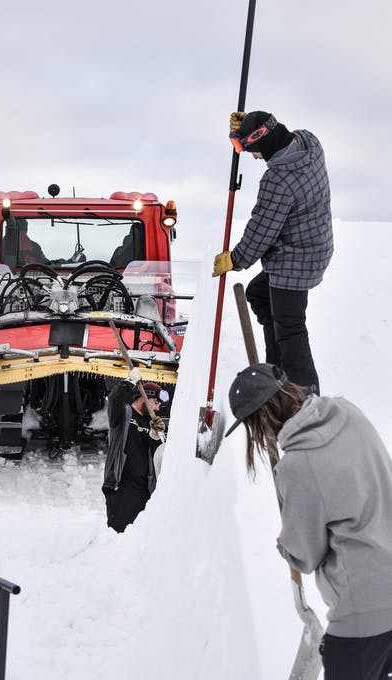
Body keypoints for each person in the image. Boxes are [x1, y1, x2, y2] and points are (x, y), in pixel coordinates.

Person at [226, 363, 392, 680]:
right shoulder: (347, 412)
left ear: (262, 417)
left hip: (363, 611)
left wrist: (285, 543)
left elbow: (304, 555)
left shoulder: (297, 465)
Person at [213, 111, 333, 394]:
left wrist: (235, 258)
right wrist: (248, 124)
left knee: (291, 330)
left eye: (250, 149)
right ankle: (277, 368)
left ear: (262, 141)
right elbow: (272, 128)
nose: (252, 156)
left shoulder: (278, 180)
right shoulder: (309, 142)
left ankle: (306, 397)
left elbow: (261, 231)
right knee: (258, 294)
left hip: (295, 262)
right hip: (314, 247)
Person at [102, 368, 167, 533]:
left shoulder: (150, 423)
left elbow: (158, 457)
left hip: (143, 492)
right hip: (121, 489)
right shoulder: (123, 414)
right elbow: (114, 399)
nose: (158, 408)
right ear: (145, 396)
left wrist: (156, 437)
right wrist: (128, 383)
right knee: (119, 536)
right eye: (156, 403)